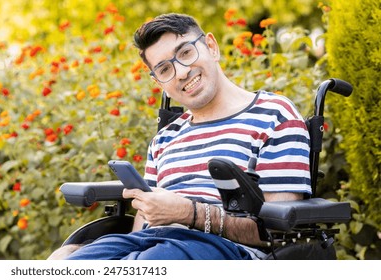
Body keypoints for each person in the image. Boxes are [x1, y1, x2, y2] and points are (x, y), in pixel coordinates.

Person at [48, 13, 311, 260]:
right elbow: (142, 229)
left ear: (211, 46)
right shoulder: (165, 139)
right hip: (151, 243)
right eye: (164, 69)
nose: (182, 72)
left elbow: (278, 230)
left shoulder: (274, 115)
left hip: (223, 249)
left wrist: (187, 213)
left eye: (185, 52)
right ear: (158, 82)